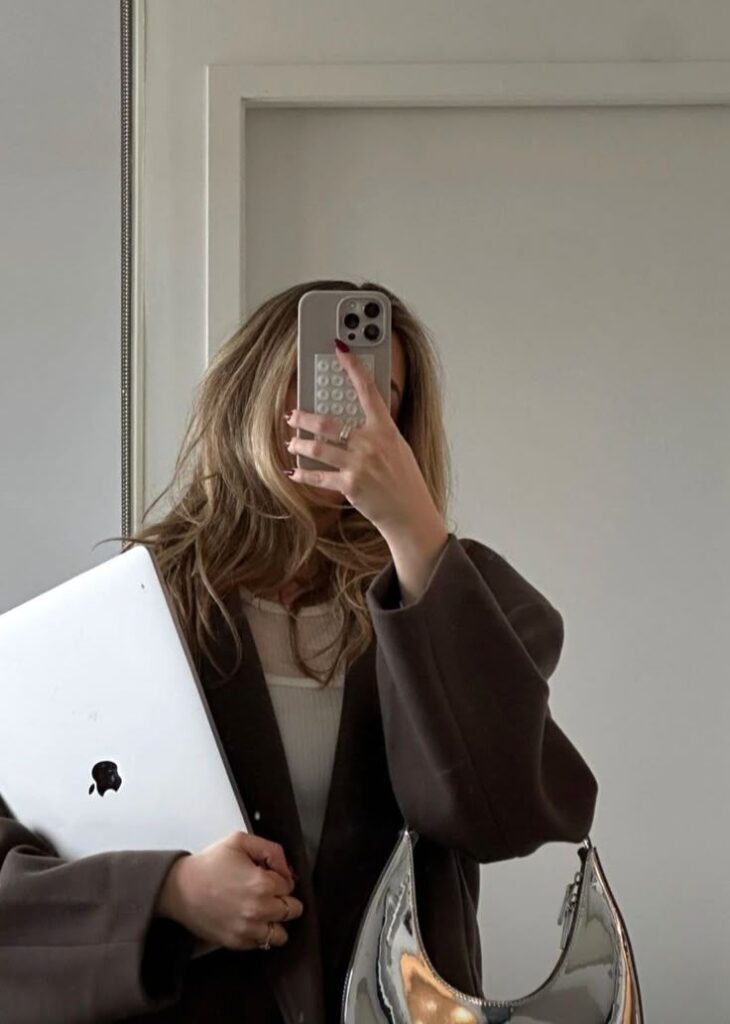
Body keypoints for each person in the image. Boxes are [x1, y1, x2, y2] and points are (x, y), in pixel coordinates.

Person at [0, 279, 599, 1023]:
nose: (336, 413)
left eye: (376, 391)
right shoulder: (129, 610)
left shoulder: (464, 596)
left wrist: (414, 533)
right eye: (314, 379)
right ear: (248, 393)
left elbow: (493, 814)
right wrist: (170, 892)